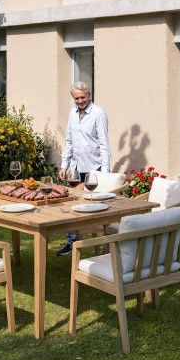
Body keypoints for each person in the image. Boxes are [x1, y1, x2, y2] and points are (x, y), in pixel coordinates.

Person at [56, 81, 110, 256]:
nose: (80, 101)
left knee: (92, 207)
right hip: (75, 167)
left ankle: (101, 243)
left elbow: (104, 144)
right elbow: (69, 141)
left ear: (89, 95)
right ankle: (72, 242)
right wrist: (64, 165)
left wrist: (104, 173)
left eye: (82, 97)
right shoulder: (72, 114)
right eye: (76, 98)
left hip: (94, 168)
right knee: (72, 204)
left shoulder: (98, 113)